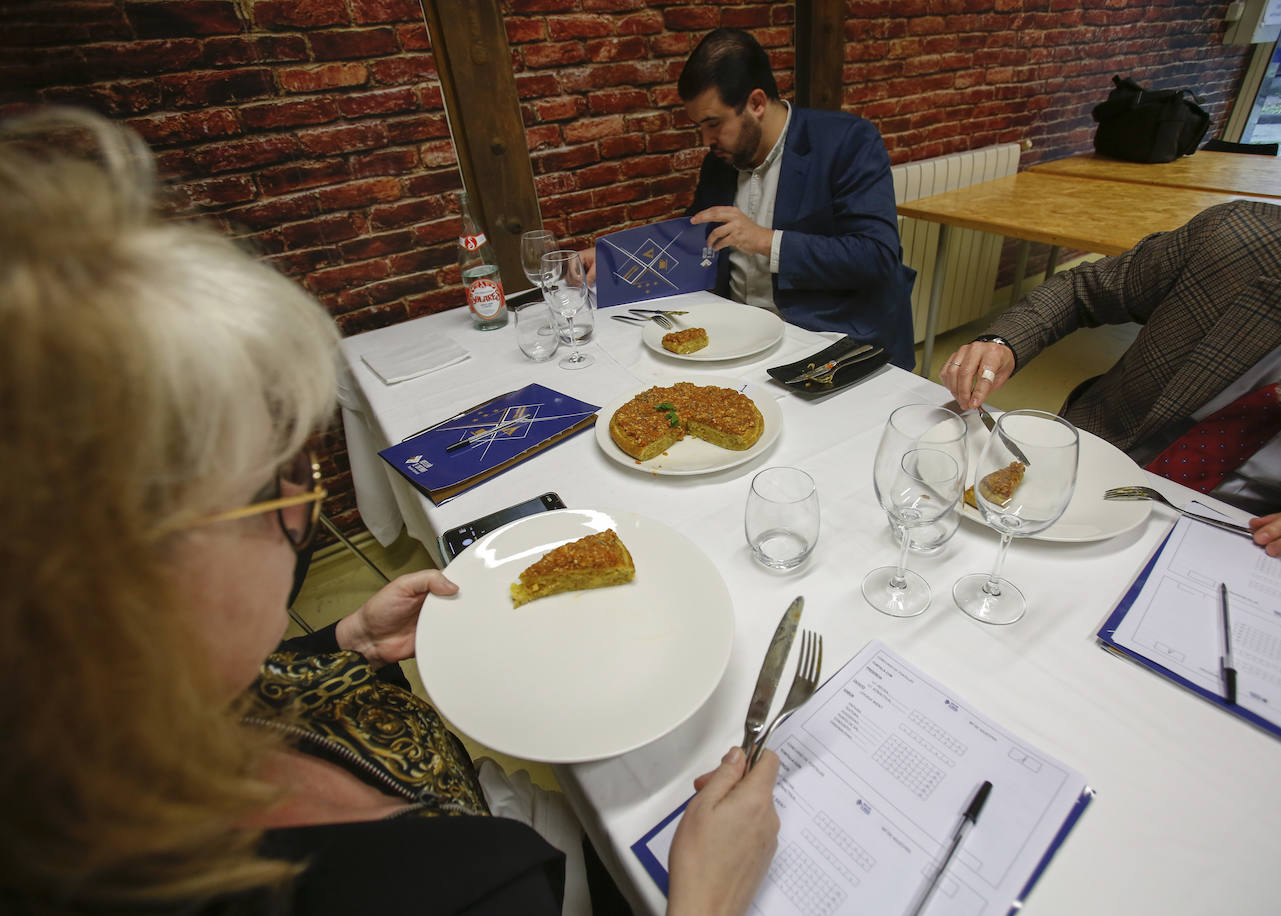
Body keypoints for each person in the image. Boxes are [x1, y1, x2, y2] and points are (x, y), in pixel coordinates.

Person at [0, 109, 780, 915]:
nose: (306, 502)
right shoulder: (461, 892)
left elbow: (237, 700)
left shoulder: (108, 730)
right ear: (108, 580)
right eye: (275, 484)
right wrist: (703, 902)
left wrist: (342, 643)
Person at [939, 200, 1281, 582]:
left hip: (1261, 547)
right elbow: (1084, 289)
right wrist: (1003, 343)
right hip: (1099, 472)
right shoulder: (1244, 240)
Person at [584, 28, 917, 370]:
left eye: (713, 123)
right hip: (735, 337)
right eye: (699, 125)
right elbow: (692, 240)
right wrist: (614, 259)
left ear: (757, 103)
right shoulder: (722, 159)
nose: (706, 139)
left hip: (827, 342)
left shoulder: (848, 142)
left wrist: (765, 241)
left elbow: (876, 257)